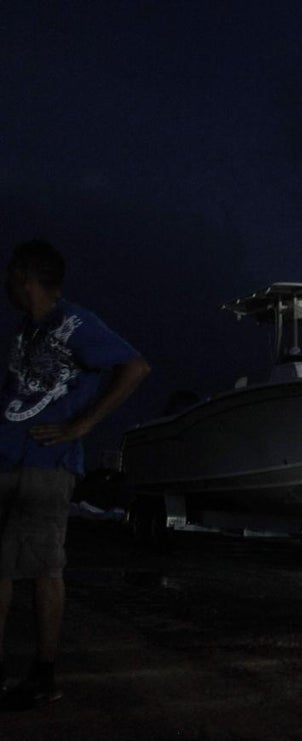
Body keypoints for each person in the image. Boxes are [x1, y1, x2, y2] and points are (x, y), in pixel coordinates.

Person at [0, 239, 149, 710]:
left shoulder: (76, 321)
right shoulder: (26, 330)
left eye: (10, 274)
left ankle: (44, 673)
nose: (5, 282)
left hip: (46, 465)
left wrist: (82, 424)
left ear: (25, 277)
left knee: (44, 566)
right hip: (7, 459)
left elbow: (135, 366)